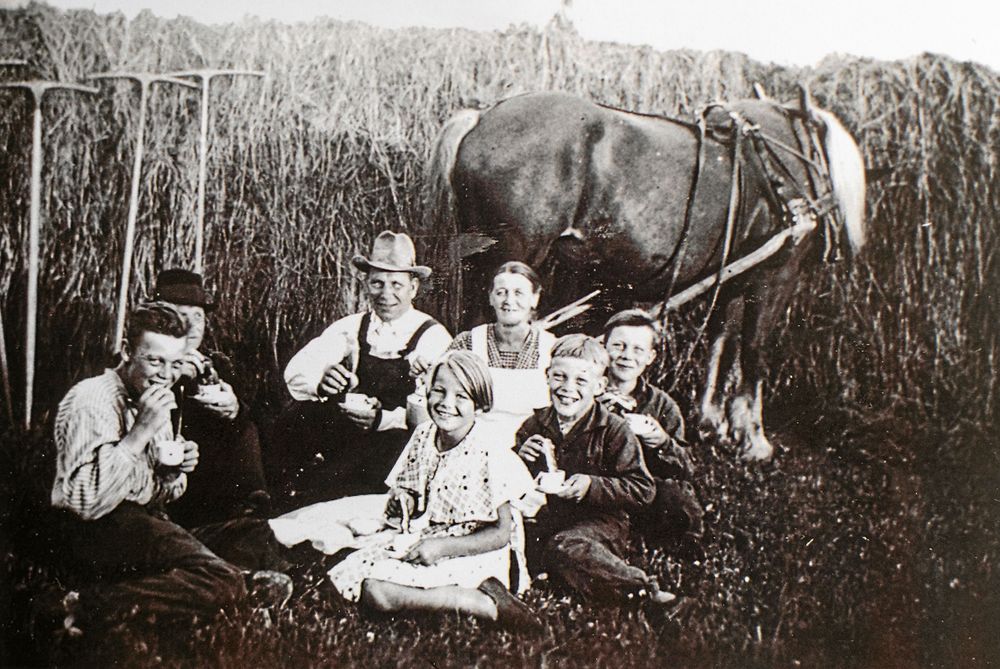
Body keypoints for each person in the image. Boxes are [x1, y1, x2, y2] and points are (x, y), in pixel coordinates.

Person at [46, 303, 291, 633]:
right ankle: (84, 607)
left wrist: (173, 474)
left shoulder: (158, 394)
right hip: (95, 532)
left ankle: (219, 586)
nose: (165, 374)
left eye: (175, 364)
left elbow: (163, 495)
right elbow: (85, 504)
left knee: (253, 534)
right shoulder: (92, 400)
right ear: (126, 351)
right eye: (154, 360)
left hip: (144, 524)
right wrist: (139, 434)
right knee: (218, 579)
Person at [327, 351, 540, 629]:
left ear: (480, 405)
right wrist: (402, 501)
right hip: (431, 537)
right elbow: (411, 492)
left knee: (376, 592)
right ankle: (447, 600)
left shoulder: (490, 450)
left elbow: (501, 534)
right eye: (439, 391)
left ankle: (477, 602)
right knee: (347, 574)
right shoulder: (424, 435)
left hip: (476, 552)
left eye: (461, 396)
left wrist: (442, 548)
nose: (446, 403)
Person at [270, 231, 452, 506]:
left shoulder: (432, 336)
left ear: (413, 288)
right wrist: (321, 380)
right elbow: (297, 371)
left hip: (397, 441)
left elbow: (436, 416)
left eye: (396, 284)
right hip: (350, 434)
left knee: (343, 483)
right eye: (377, 283)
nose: (386, 294)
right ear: (366, 284)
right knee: (294, 419)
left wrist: (383, 419)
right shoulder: (352, 326)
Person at [514, 334, 674, 604]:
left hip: (601, 523)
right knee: (517, 543)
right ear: (547, 376)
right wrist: (520, 458)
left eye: (580, 381)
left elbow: (643, 489)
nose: (567, 388)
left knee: (566, 547)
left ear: (599, 386)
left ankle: (646, 591)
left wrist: (592, 486)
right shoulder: (535, 424)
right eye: (560, 377)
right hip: (548, 518)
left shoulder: (613, 429)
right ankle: (562, 575)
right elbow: (510, 481)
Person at [150, 269, 272, 527]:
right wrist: (175, 376)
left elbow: (257, 425)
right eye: (183, 316)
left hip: (212, 484)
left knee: (247, 426)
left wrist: (234, 410)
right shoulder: (147, 361)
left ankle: (250, 507)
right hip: (164, 478)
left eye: (199, 316)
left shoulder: (215, 364)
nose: (194, 326)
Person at [599, 309, 704, 550]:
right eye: (618, 346)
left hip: (642, 491)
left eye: (638, 350)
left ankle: (670, 541)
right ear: (604, 348)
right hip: (601, 485)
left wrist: (661, 441)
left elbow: (686, 467)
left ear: (650, 357)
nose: (627, 356)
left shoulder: (662, 404)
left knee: (676, 499)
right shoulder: (586, 393)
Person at [447, 261, 555, 447]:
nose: (509, 301)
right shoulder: (467, 343)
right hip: (473, 447)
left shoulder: (552, 348)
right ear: (491, 298)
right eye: (501, 292)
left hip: (532, 450)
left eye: (518, 293)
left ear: (534, 298)